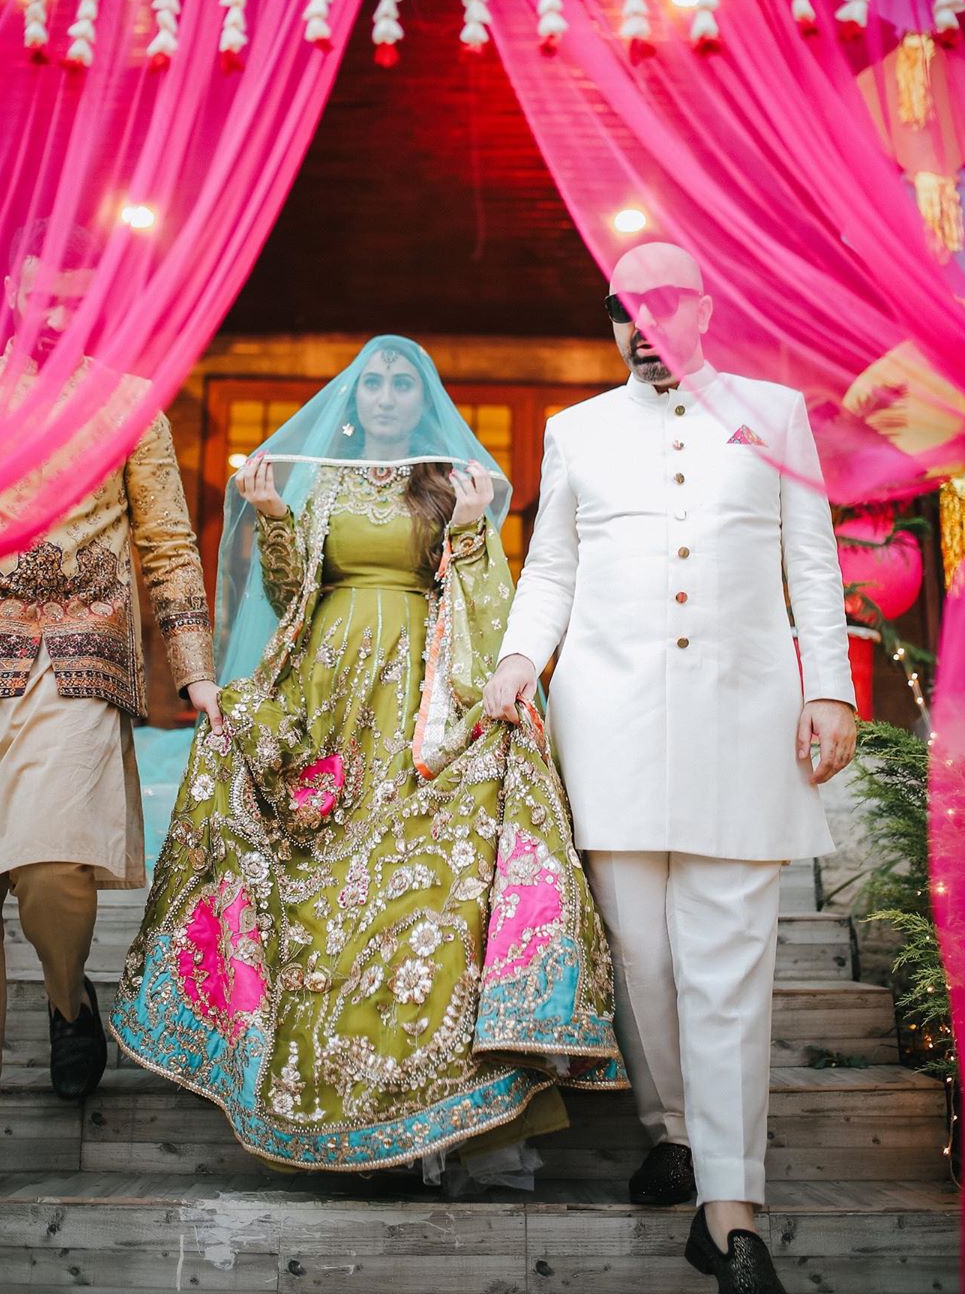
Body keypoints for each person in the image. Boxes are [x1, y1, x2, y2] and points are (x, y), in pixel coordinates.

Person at [110, 335, 626, 1175]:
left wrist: (466, 533)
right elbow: (289, 596)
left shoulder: (452, 485)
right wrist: (276, 523)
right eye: (373, 382)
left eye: (401, 383)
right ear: (357, 400)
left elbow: (493, 602)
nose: (384, 394)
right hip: (328, 693)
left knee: (422, 883)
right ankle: (290, 1080)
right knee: (305, 869)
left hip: (421, 694)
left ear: (421, 400)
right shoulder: (328, 484)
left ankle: (435, 1096)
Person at [484, 243, 856, 1293]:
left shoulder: (777, 415)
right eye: (622, 310)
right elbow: (551, 564)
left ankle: (732, 1212)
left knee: (728, 968)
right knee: (643, 961)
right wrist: (521, 658)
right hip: (609, 728)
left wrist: (828, 688)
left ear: (704, 309)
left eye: (660, 307)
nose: (641, 328)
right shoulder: (577, 431)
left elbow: (812, 564)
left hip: (747, 727)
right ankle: (674, 1130)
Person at [0, 221, 218, 1214]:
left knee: (51, 872)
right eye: (39, 297)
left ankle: (69, 995)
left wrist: (198, 672)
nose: (52, 316)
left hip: (75, 663)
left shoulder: (131, 406)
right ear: (11, 289)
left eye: (73, 302)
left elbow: (168, 545)